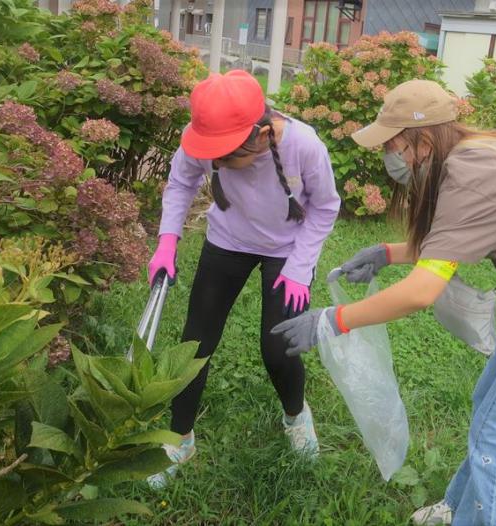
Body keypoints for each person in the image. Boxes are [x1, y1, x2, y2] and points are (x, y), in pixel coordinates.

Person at [272, 79, 496, 525]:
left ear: (423, 140)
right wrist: (388, 253)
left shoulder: (473, 174)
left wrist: (333, 320)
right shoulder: (478, 153)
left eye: (392, 144)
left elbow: (422, 291)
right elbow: (460, 241)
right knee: (489, 411)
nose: (388, 156)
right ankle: (457, 509)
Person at [146, 70, 340, 489]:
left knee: (278, 346)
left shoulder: (303, 145)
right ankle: (180, 437)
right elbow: (180, 183)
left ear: (261, 135)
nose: (213, 163)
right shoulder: (203, 136)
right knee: (194, 342)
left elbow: (325, 207)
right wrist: (166, 242)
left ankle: (295, 416)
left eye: (223, 157)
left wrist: (300, 267)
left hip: (286, 250)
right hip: (228, 241)